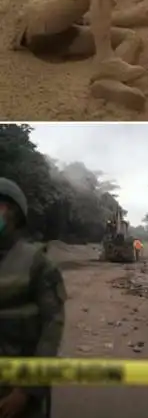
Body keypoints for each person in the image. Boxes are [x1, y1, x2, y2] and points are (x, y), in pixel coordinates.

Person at [0, 178, 66, 418]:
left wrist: (27, 391)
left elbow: (52, 327)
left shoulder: (38, 264)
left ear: (15, 214)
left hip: (18, 391)